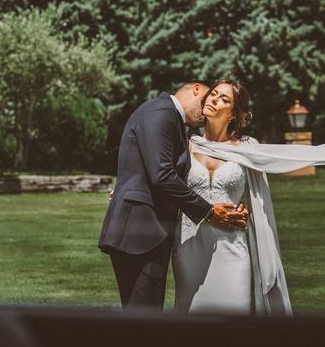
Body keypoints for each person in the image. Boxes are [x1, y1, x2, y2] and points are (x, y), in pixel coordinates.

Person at [98, 81, 248, 310]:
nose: (210, 104)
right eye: (210, 95)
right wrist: (208, 211)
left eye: (222, 99)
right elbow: (162, 175)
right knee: (143, 318)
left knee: (145, 315)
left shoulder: (172, 121)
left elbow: (149, 169)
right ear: (197, 90)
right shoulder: (162, 112)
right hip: (139, 232)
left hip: (153, 233)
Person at [173, 78, 292, 315]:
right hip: (189, 246)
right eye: (214, 94)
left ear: (233, 115)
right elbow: (164, 183)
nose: (214, 99)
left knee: (232, 326)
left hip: (232, 248)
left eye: (224, 99)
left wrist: (245, 209)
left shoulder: (247, 148)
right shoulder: (185, 145)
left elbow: (259, 198)